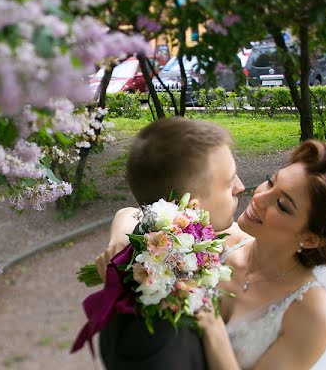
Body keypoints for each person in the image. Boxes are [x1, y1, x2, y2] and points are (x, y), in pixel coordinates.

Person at [195, 140, 326, 369]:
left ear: (311, 238)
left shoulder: (311, 314)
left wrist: (214, 330)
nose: (259, 198)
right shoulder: (218, 239)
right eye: (271, 181)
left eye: (282, 205)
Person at [95, 117, 246, 370]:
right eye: (229, 182)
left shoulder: (155, 250)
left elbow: (132, 212)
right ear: (191, 210)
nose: (240, 187)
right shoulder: (159, 339)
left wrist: (122, 234)